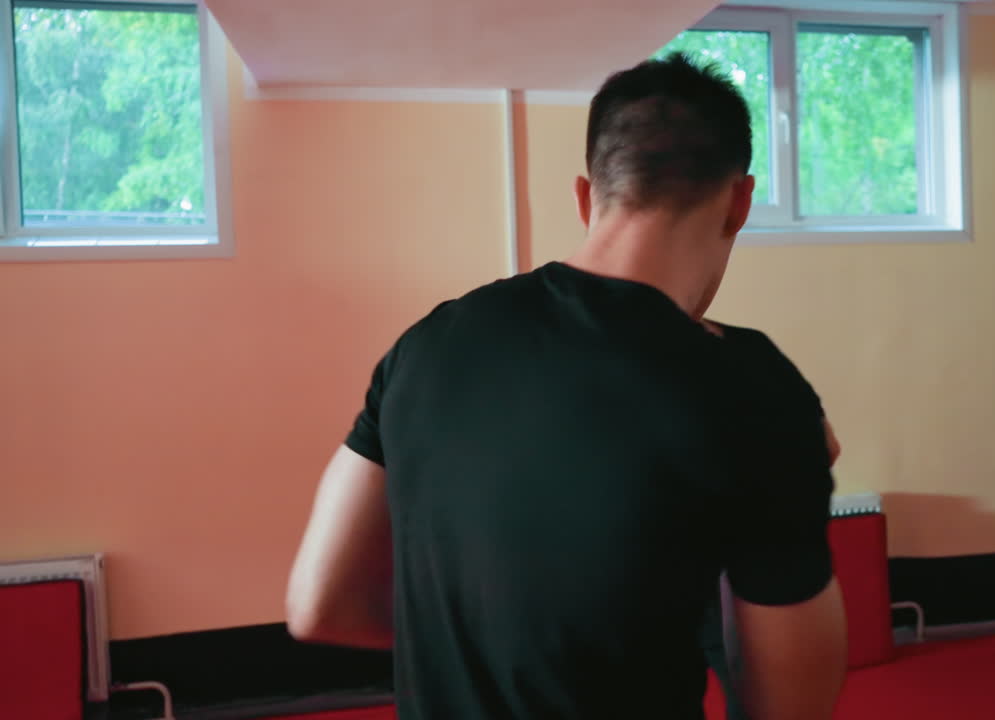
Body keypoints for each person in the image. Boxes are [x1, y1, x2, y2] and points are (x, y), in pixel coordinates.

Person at [285, 53, 848, 720]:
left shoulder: (426, 344)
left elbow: (319, 607)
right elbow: (790, 699)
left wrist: (489, 647)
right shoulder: (749, 385)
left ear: (587, 196)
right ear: (740, 201)